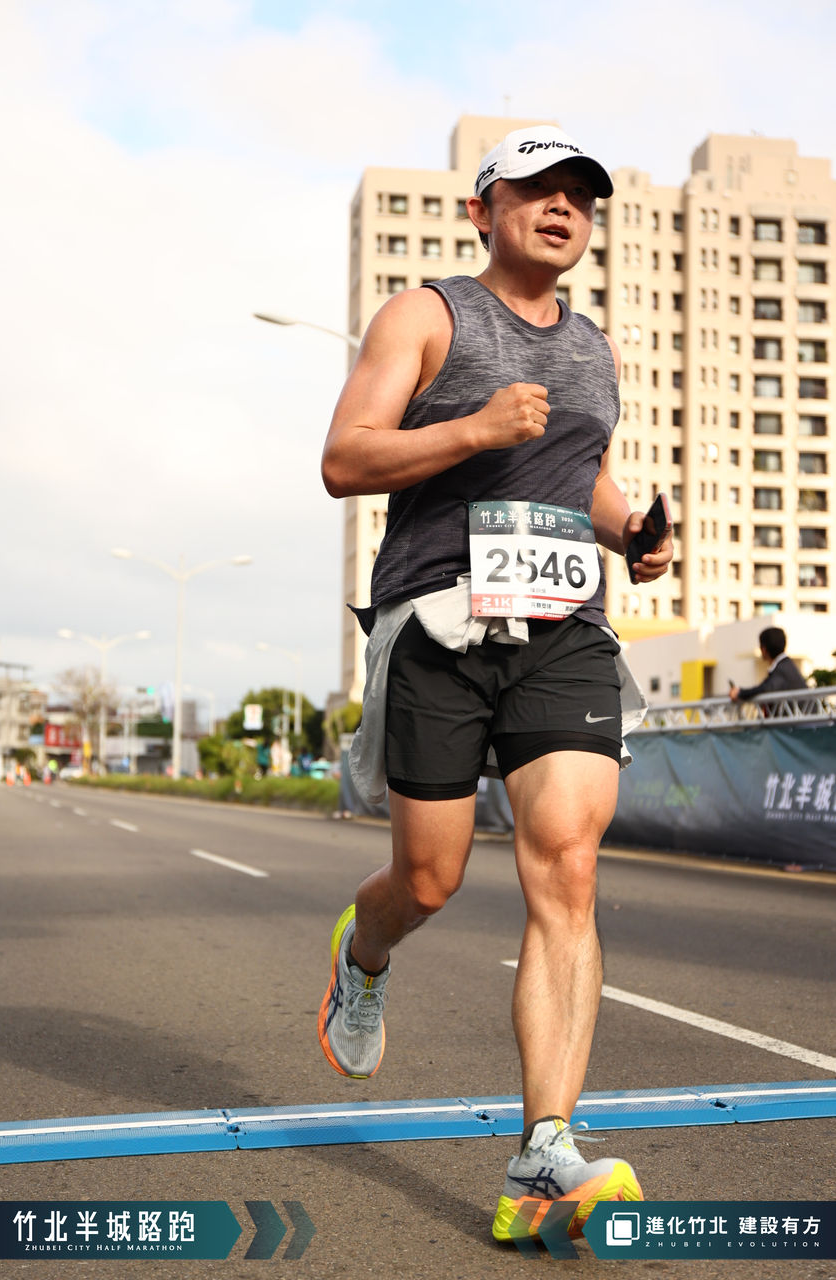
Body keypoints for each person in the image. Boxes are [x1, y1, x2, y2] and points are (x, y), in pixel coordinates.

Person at [317, 123, 673, 1246]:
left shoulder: (595, 349)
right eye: (536, 190)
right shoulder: (427, 315)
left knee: (568, 862)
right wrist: (471, 428)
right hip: (438, 617)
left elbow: (586, 479)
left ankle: (543, 1150)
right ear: (482, 211)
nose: (562, 207)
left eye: (579, 195)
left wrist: (633, 533)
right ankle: (364, 952)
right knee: (428, 879)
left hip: (562, 628)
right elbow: (344, 458)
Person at [729, 627, 807, 702]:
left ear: (764, 649)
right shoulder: (787, 665)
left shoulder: (781, 669)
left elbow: (765, 688)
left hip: (800, 711)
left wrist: (740, 693)